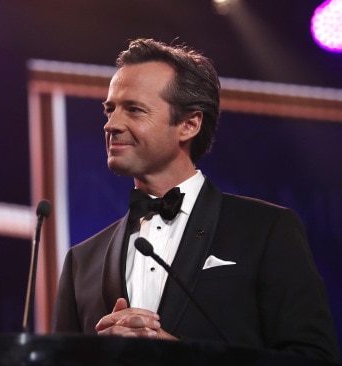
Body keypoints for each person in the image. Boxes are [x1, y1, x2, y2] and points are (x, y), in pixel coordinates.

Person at [51, 38, 340, 363]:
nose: (111, 124)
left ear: (189, 124)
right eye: (110, 109)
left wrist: (181, 356)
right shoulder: (81, 261)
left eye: (133, 109)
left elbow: (315, 359)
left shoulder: (266, 231)